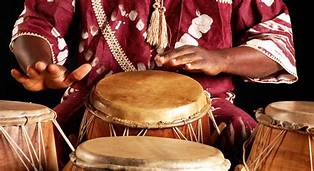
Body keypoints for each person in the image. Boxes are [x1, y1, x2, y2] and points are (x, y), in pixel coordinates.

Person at [9, 0, 297, 168]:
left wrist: (221, 59)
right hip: (92, 104)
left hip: (208, 108)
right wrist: (40, 64)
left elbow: (276, 41)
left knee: (258, 151)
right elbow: (38, 19)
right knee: (34, 148)